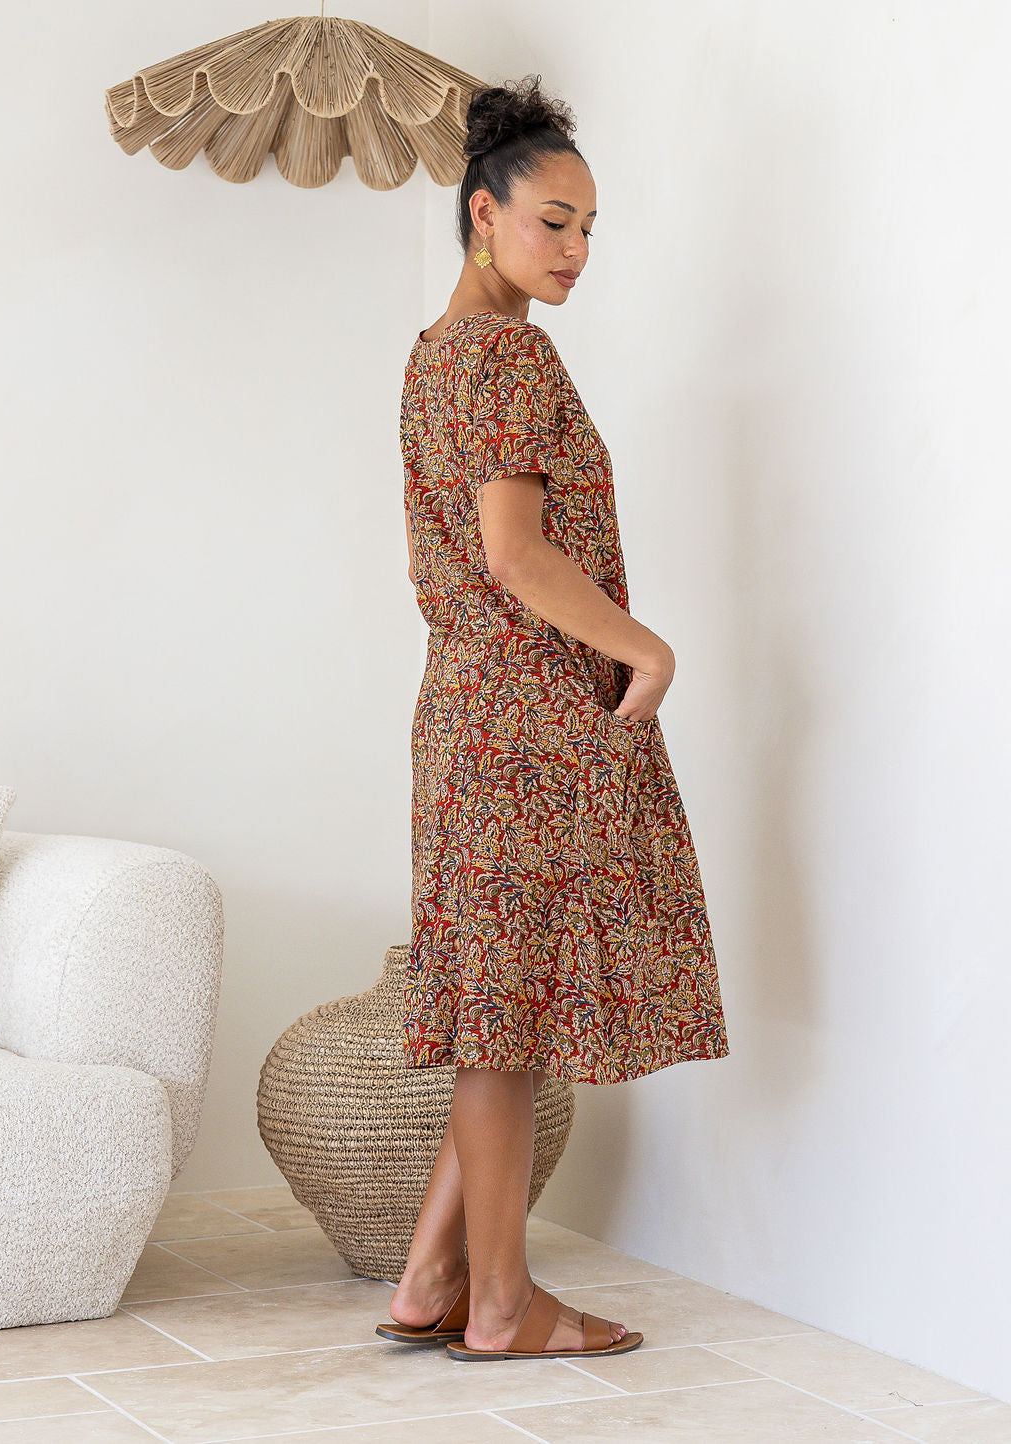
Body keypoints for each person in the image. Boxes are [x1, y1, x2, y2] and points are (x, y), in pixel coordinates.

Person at [376, 75, 729, 1363]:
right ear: (484, 214)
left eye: (589, 229)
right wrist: (647, 646)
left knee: (500, 1001)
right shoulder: (509, 356)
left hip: (464, 711)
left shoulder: (435, 353)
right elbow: (516, 554)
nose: (577, 251)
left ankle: (431, 1280)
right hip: (528, 718)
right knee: (507, 1016)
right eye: (554, 224)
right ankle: (503, 1308)